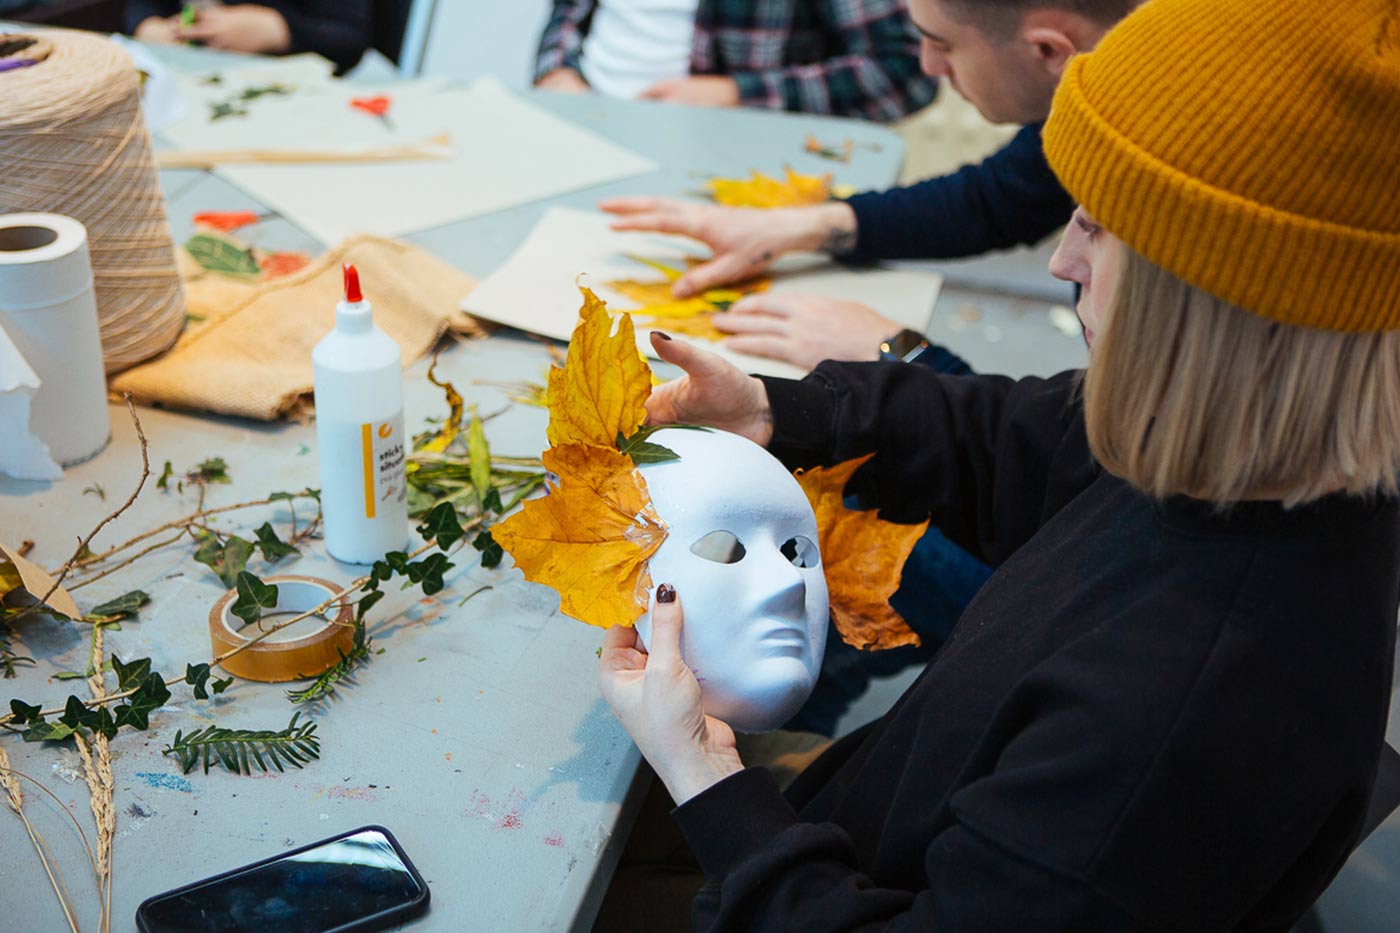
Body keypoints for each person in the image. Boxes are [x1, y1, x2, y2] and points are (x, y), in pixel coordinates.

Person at [597, 0, 1400, 926]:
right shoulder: (1237, 446)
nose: (1062, 258)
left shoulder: (1177, 712)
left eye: (1099, 229)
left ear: (1209, 297)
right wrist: (788, 408)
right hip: (871, 821)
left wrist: (706, 773)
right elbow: (1018, 434)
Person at [603, 0, 1143, 734]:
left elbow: (1070, 448)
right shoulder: (1124, 92)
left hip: (1086, 585)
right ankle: (810, 712)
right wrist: (811, 228)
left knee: (847, 514)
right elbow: (1004, 197)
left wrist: (907, 353)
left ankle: (792, 723)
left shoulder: (1164, 162)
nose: (1061, 262)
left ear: (1052, 50)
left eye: (937, 43)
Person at [534, 0, 938, 122]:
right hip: (582, 123)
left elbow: (904, 72)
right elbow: (568, 14)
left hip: (724, 163)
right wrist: (556, 71)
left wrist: (736, 95)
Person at [126, 0, 371, 75]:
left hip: (285, 81)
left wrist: (280, 30)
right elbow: (144, 6)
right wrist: (147, 25)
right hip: (187, 74)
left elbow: (351, 40)